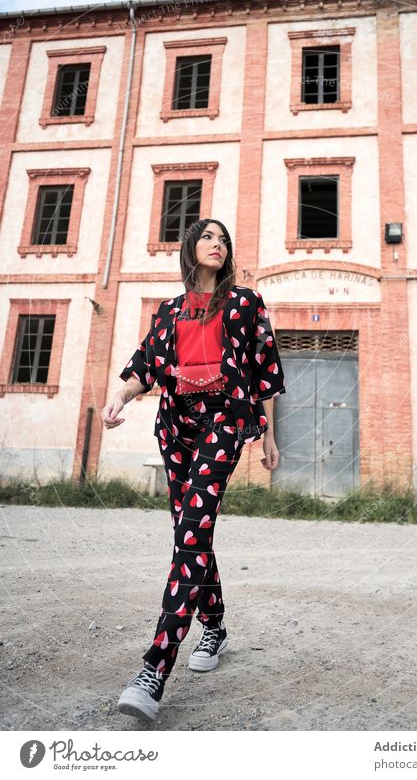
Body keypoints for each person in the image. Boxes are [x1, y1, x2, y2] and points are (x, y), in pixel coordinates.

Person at [100, 218, 286, 721]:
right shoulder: (170, 310)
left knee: (190, 536)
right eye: (207, 237)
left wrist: (268, 434)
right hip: (176, 426)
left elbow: (263, 371)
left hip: (225, 420)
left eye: (224, 239)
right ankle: (216, 624)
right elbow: (146, 368)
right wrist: (118, 397)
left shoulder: (246, 303)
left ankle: (155, 667)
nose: (218, 244)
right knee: (191, 535)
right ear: (190, 248)